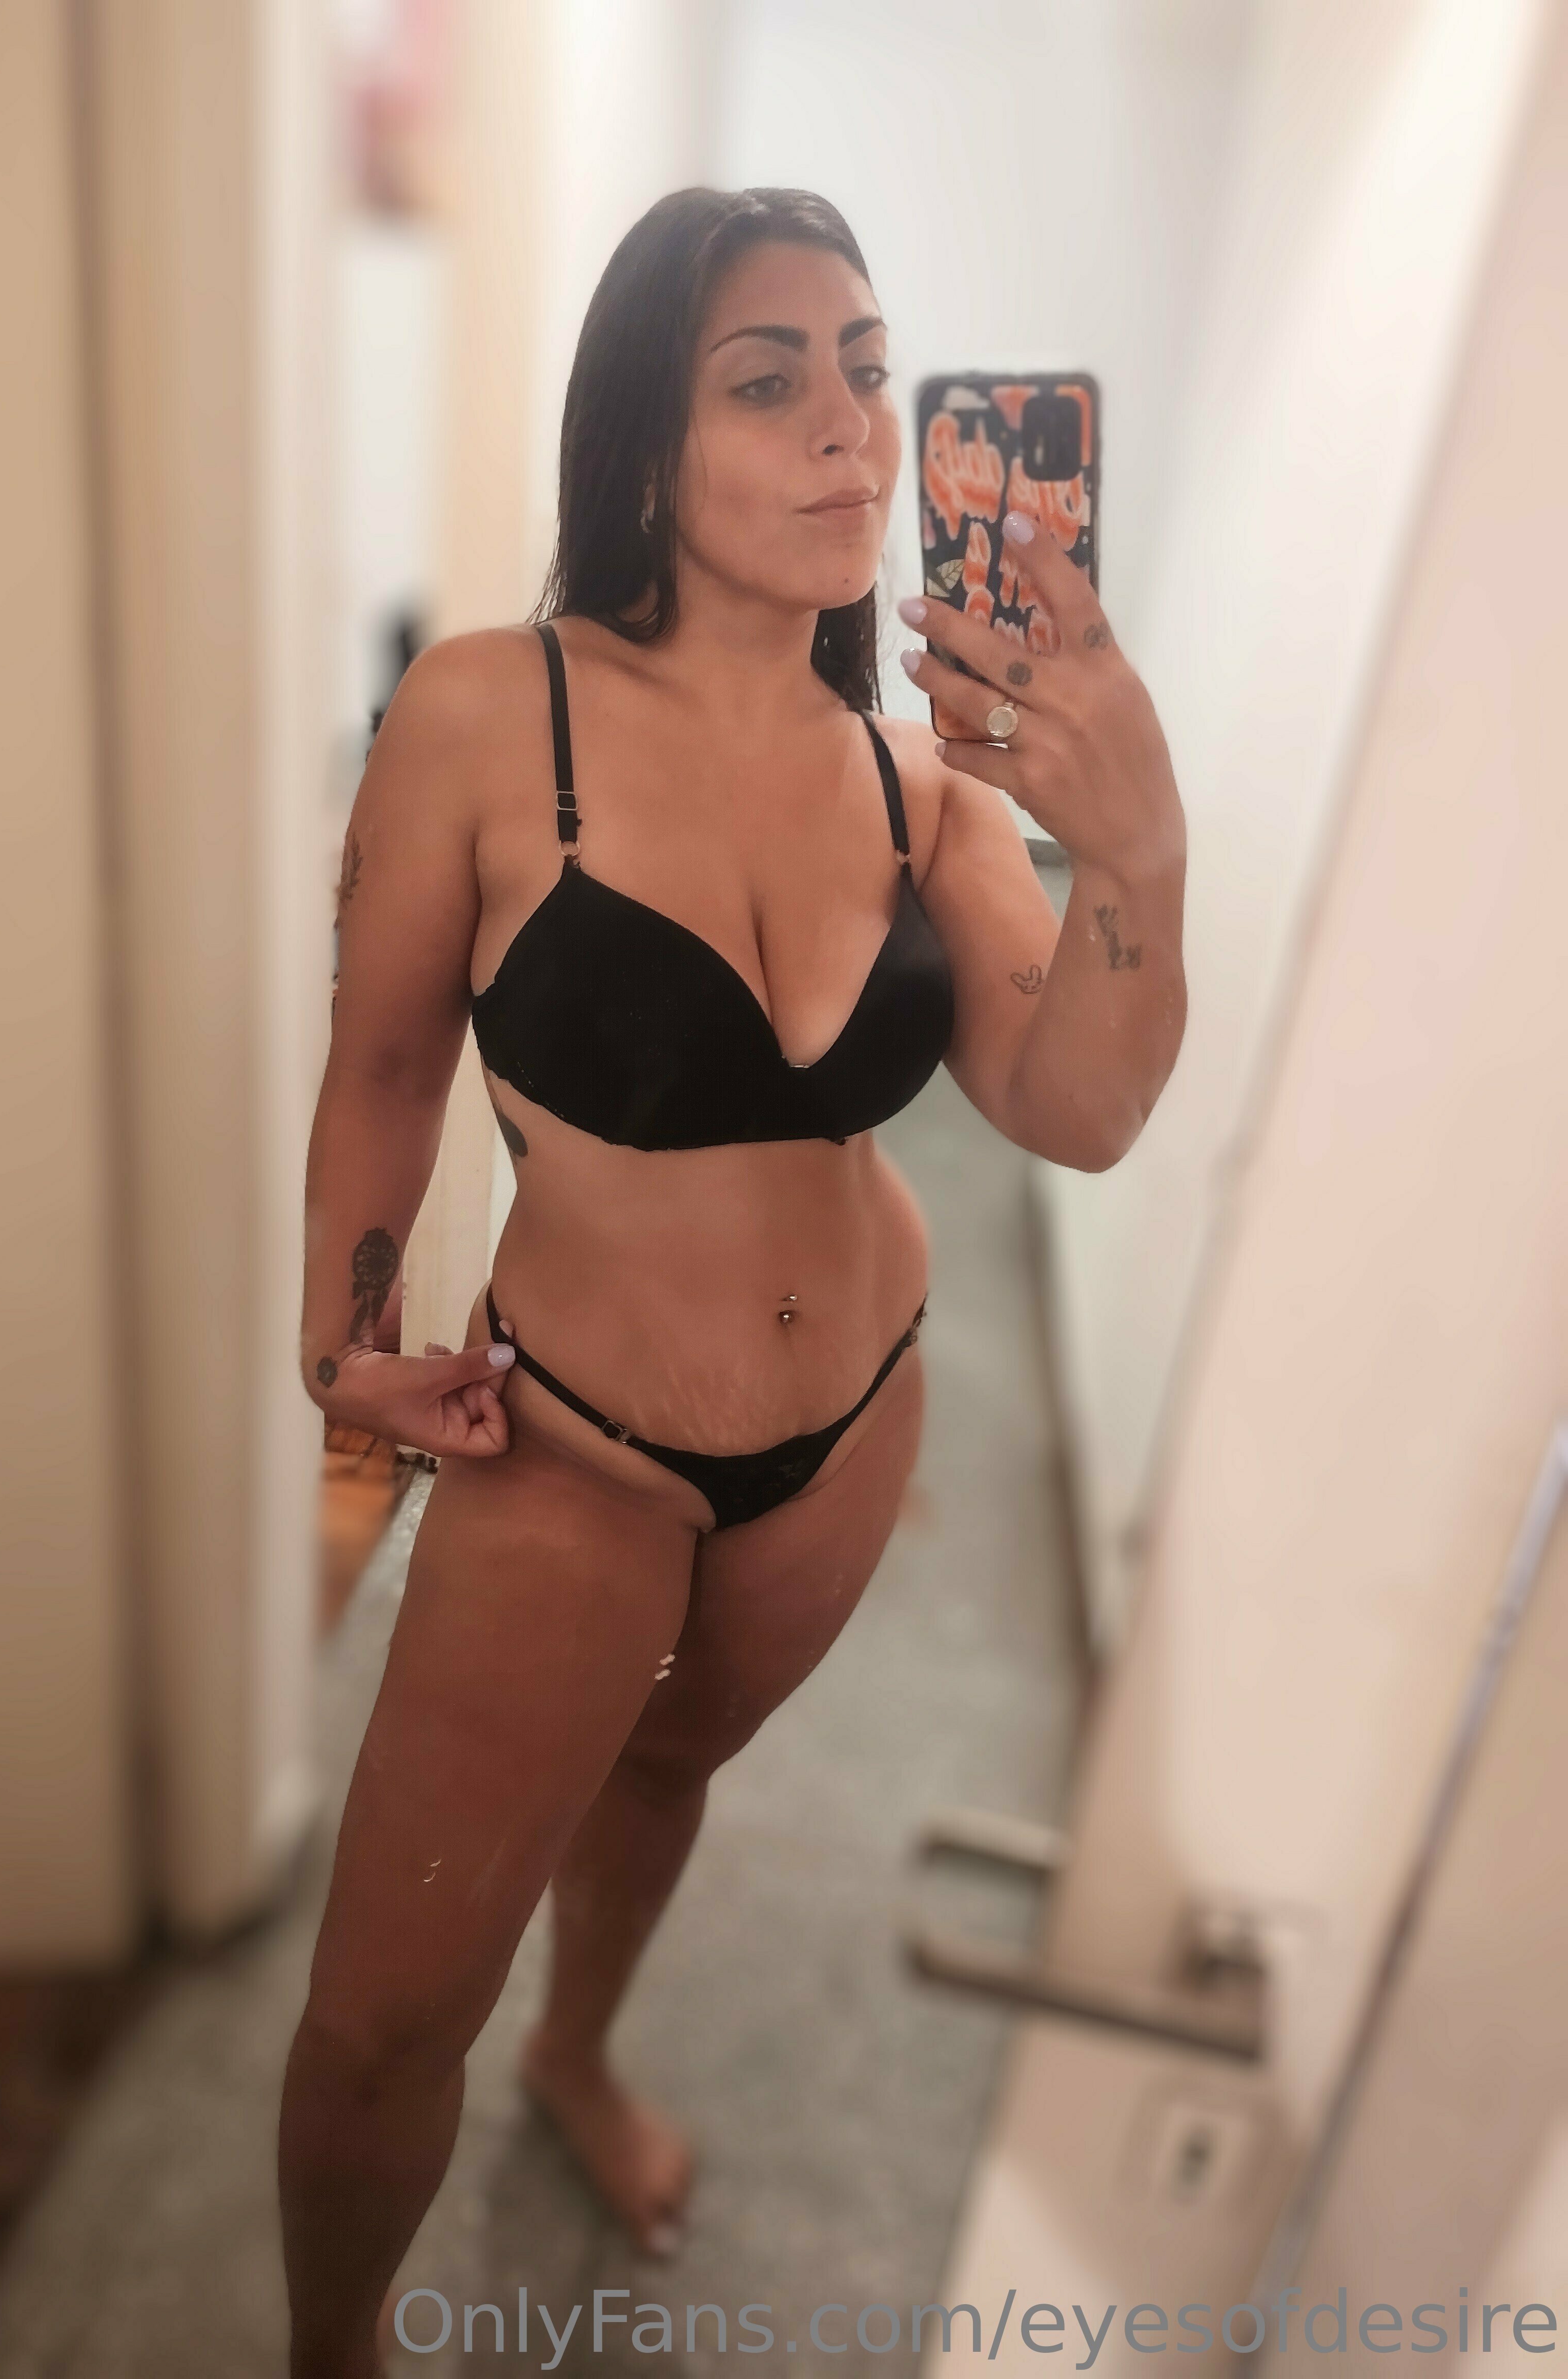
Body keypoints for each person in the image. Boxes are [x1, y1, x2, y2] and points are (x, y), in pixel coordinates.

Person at [278, 186, 1186, 2378]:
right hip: (573, 1442)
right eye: (770, 383)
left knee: (670, 1766)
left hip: (851, 1419)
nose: (852, 428)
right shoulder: (489, 717)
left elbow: (1076, 1106)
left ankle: (581, 2053)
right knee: (379, 2019)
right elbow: (386, 1062)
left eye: (868, 371)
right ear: (641, 444)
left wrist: (1138, 852)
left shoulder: (923, 783)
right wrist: (339, 1352)